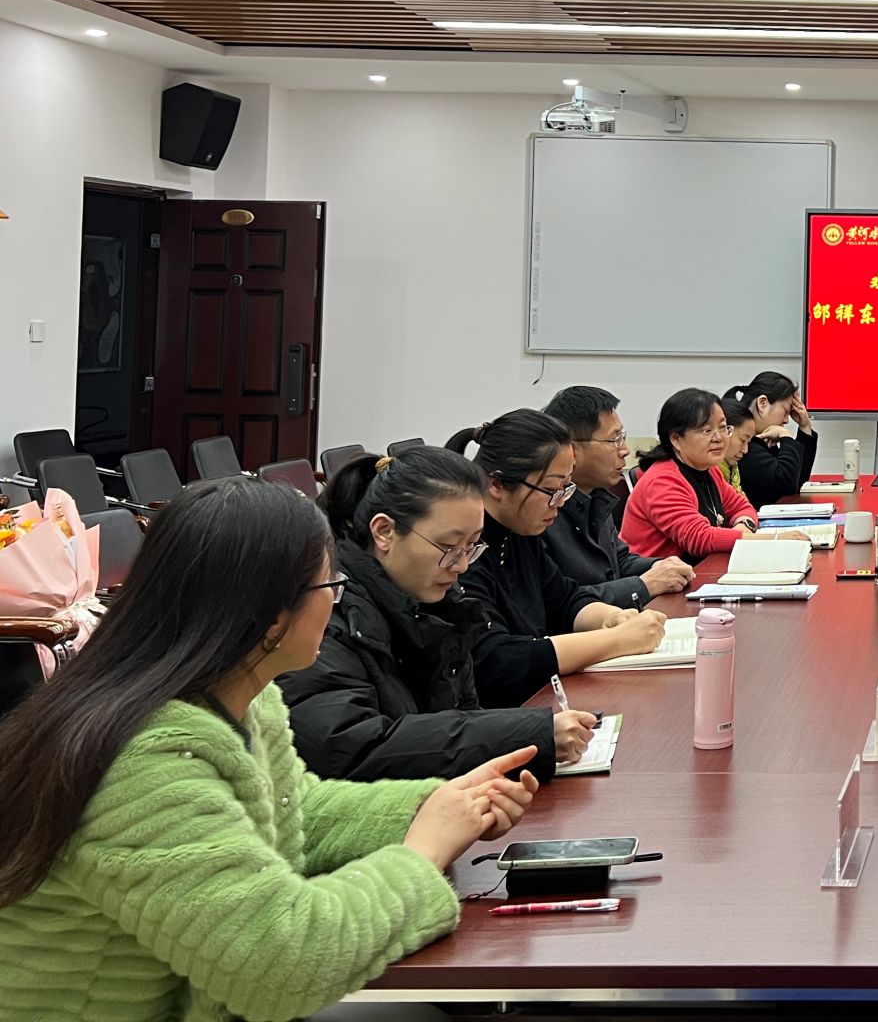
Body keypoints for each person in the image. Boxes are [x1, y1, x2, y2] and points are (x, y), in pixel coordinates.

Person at [0, 478, 538, 1022]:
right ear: (270, 615)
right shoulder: (143, 764)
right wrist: (422, 851)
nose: (335, 601)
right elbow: (282, 964)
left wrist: (439, 805)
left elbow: (294, 810)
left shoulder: (242, 698)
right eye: (330, 585)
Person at [281, 448, 591, 783]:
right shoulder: (325, 614)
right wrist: (530, 735)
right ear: (384, 532)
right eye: (448, 547)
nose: (461, 565)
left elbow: (463, 717)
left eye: (472, 547)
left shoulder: (442, 606)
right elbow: (353, 749)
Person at [447, 409, 667, 708]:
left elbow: (563, 598)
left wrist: (611, 617)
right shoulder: (464, 552)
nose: (560, 502)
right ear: (496, 484)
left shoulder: (519, 532)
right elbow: (494, 660)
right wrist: (616, 640)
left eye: (566, 488)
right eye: (551, 490)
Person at [541, 384, 692, 608]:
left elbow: (617, 561)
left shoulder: (596, 495)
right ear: (571, 449)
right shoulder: (541, 512)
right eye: (614, 440)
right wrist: (643, 586)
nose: (625, 450)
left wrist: (661, 566)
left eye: (623, 437)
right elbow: (558, 603)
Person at [623, 389, 811, 561]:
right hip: (658, 581)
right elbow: (699, 538)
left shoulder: (709, 470)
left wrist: (743, 526)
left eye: (723, 428)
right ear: (676, 438)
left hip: (697, 571)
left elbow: (742, 507)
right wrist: (773, 539)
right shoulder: (662, 480)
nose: (719, 438)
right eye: (707, 431)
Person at [725, 371, 819, 506]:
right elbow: (786, 487)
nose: (786, 420)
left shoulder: (762, 441)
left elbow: (798, 479)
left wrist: (805, 427)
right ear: (762, 403)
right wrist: (786, 437)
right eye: (786, 412)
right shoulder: (746, 447)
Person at [716, 395, 761, 491]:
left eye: (748, 442)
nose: (745, 450)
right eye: (743, 440)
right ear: (725, 430)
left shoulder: (732, 470)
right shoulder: (706, 475)